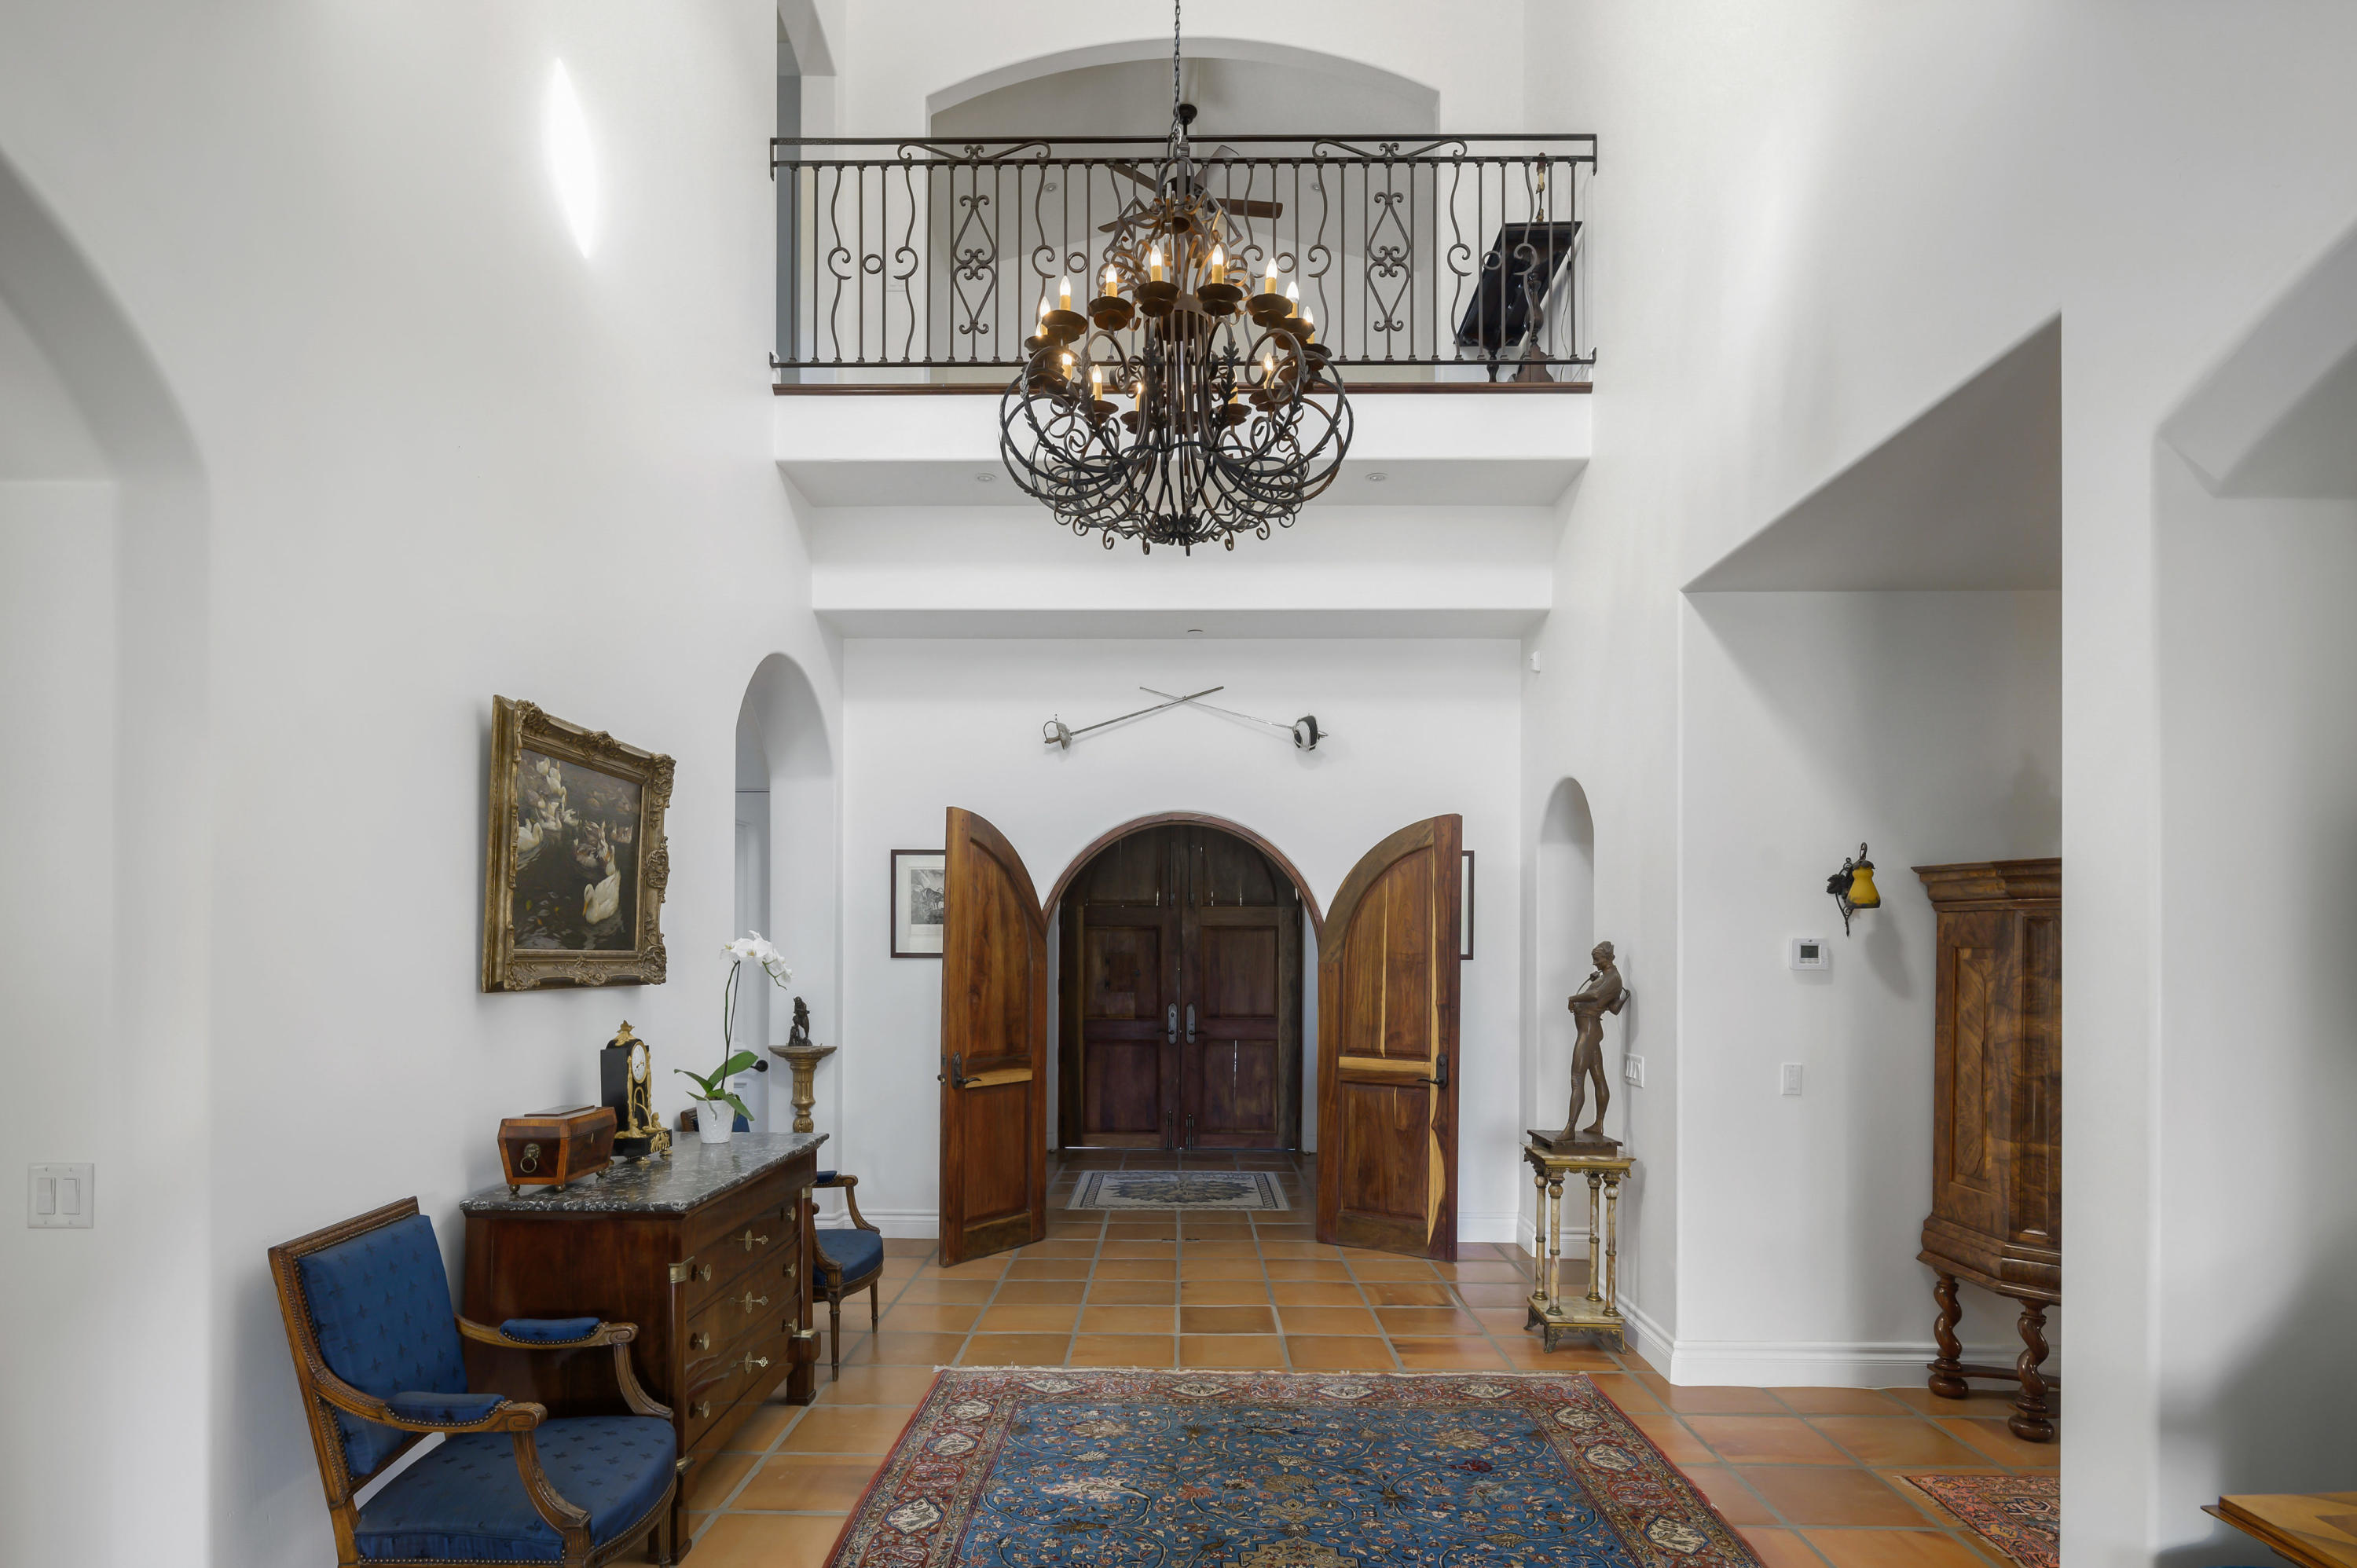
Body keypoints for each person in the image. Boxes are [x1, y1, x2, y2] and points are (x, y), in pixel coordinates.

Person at [1565, 941, 1627, 1141]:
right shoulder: (1606, 977)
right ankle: (1598, 1124)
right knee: (1598, 1076)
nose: (1594, 963)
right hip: (1589, 1029)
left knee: (1577, 1079)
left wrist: (1574, 998)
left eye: (1597, 959)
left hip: (1589, 1031)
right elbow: (1612, 1006)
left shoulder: (1614, 978)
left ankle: (1570, 1128)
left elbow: (1596, 995)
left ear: (1608, 958)